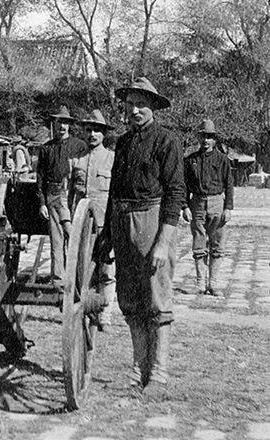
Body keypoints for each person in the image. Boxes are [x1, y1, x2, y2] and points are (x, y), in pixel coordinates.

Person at [97, 77, 185, 396]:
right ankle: (138, 369)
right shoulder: (122, 143)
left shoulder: (167, 141)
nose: (134, 110)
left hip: (153, 219)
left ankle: (159, 374)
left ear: (153, 106)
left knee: (157, 299)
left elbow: (176, 193)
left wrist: (163, 241)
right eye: (129, 104)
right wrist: (107, 234)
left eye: (141, 104)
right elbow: (113, 192)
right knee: (131, 301)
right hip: (122, 222)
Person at [69, 109, 116, 330]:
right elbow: (71, 195)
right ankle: (86, 308)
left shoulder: (112, 159)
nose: (92, 134)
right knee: (82, 271)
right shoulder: (77, 160)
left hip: (104, 226)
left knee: (106, 271)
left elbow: (116, 195)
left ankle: (105, 313)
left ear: (104, 134)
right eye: (89, 130)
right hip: (82, 228)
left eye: (97, 130)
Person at [36, 106, 87, 285]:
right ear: (54, 124)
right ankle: (58, 280)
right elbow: (40, 178)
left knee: (74, 237)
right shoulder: (45, 149)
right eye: (59, 122)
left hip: (73, 196)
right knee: (57, 241)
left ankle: (78, 280)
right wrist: (42, 202)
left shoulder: (79, 146)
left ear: (69, 125)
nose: (62, 126)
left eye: (65, 123)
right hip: (53, 195)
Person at [182, 119, 234, 296]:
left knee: (217, 245)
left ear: (215, 139)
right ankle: (199, 283)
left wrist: (228, 208)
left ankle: (214, 283)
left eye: (210, 137)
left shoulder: (223, 160)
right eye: (203, 136)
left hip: (217, 203)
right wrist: (185, 206)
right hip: (197, 203)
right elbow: (184, 186)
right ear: (198, 137)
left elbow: (229, 185)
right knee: (199, 244)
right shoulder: (190, 161)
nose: (206, 140)